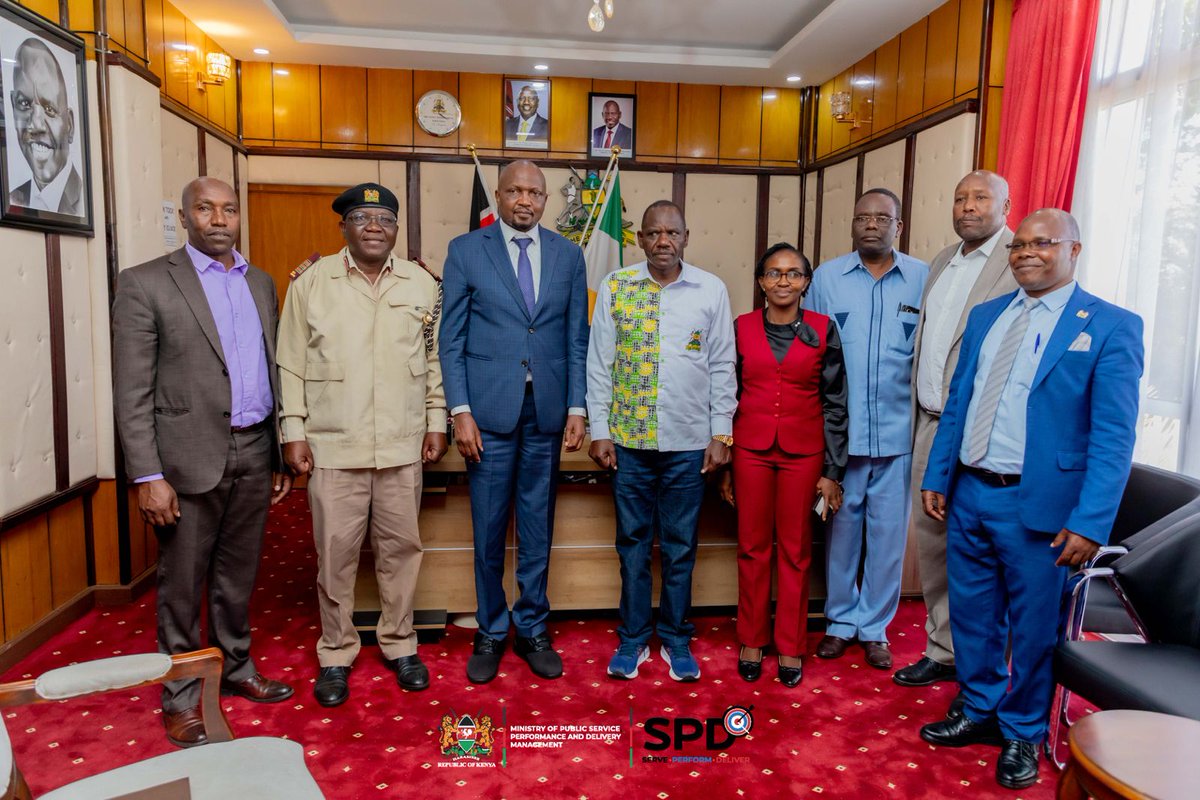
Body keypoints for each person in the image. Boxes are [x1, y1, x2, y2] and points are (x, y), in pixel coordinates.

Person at [918, 209, 1143, 790]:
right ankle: (979, 707)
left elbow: (1114, 436)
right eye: (1018, 244)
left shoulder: (1112, 325)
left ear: (1074, 249)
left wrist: (1091, 521)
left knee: (1036, 626)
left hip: (1042, 506)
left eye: (1042, 243)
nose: (1026, 253)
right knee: (972, 614)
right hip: (970, 494)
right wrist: (938, 476)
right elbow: (959, 402)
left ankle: (1021, 728)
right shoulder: (989, 315)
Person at [112, 177, 293, 748]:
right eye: (205, 209)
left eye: (229, 209)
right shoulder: (145, 284)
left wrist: (281, 446)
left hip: (254, 449)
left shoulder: (260, 282)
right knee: (182, 586)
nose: (219, 219)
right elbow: (132, 391)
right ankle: (183, 696)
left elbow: (273, 367)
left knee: (237, 579)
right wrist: (148, 475)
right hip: (184, 461)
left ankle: (237, 670)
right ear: (186, 216)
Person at [276, 183, 448, 707]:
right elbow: (290, 363)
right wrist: (293, 431)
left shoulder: (423, 283)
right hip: (334, 445)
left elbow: (434, 359)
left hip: (401, 445)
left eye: (384, 219)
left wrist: (436, 419)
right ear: (343, 227)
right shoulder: (311, 284)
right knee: (336, 558)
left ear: (397, 229)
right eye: (361, 217)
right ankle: (336, 652)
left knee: (401, 553)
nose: (374, 226)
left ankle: (400, 643)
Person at [440, 160, 589, 684]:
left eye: (535, 192)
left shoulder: (570, 255)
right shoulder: (465, 250)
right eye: (515, 191)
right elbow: (450, 338)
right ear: (498, 196)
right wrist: (460, 410)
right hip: (488, 413)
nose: (525, 200)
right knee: (487, 528)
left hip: (546, 412)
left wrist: (577, 407)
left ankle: (531, 627)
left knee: (536, 525)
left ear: (546, 200)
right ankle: (490, 628)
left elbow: (576, 336)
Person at [587, 200, 737, 682]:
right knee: (631, 545)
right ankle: (632, 640)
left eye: (672, 233)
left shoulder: (710, 290)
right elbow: (599, 365)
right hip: (629, 442)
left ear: (686, 237)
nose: (663, 241)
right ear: (640, 240)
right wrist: (601, 430)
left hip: (689, 444)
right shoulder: (617, 287)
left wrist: (721, 433)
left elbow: (721, 367)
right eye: (653, 233)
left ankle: (674, 637)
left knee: (678, 546)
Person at [894, 171, 1018, 695]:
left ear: (1006, 205)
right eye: (960, 197)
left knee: (988, 551)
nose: (968, 206)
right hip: (930, 423)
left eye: (981, 198)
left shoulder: (1020, 259)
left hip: (984, 434)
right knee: (936, 545)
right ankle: (942, 650)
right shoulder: (943, 261)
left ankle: (989, 664)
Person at [803, 187, 929, 670]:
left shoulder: (923, 278)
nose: (871, 224)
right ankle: (838, 621)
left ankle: (874, 626)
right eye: (862, 217)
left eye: (882, 217)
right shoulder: (827, 279)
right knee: (840, 531)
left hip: (899, 436)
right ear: (852, 225)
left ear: (898, 226)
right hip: (841, 438)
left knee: (887, 537)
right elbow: (811, 350)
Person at [718, 243, 848, 687]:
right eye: (774, 273)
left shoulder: (823, 329)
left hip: (804, 453)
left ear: (806, 282)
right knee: (752, 547)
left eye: (793, 274)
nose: (783, 281)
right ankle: (751, 639)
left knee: (795, 551)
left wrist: (833, 471)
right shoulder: (740, 327)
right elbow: (725, 395)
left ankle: (791, 644)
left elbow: (835, 403)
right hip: (751, 449)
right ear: (760, 281)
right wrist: (727, 464)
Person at [8, 38, 83, 216]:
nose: (36, 124)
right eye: (24, 103)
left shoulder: (82, 200)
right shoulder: (13, 198)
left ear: (70, 125)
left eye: (50, 109)